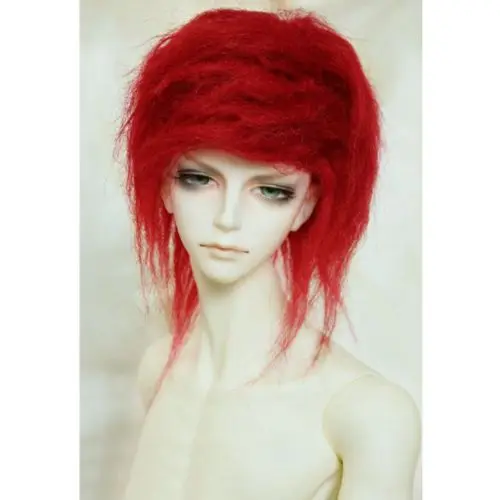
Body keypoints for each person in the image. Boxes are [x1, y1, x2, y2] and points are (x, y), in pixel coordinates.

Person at [117, 6, 421, 500]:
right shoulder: (160, 371)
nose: (228, 217)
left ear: (306, 206)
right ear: (165, 187)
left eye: (271, 190)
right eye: (198, 178)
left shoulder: (364, 415)